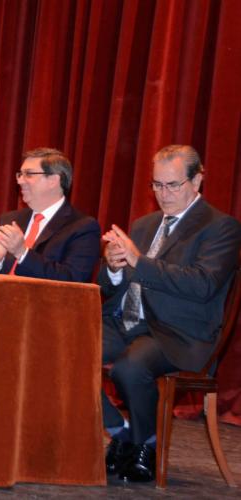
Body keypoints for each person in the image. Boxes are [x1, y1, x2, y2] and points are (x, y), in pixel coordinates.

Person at [100, 145, 241, 482]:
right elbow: (112, 285)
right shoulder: (144, 224)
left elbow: (202, 285)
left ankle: (146, 444)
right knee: (66, 349)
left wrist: (138, 261)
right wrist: (114, 267)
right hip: (126, 323)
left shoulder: (220, 227)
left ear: (197, 180)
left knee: (129, 367)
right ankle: (122, 431)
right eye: (157, 185)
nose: (163, 194)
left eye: (172, 185)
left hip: (178, 331)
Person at [0, 148, 100, 282]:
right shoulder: (10, 219)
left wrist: (22, 253)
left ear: (53, 180)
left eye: (29, 174)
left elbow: (72, 280)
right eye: (20, 174)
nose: (20, 181)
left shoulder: (82, 227)